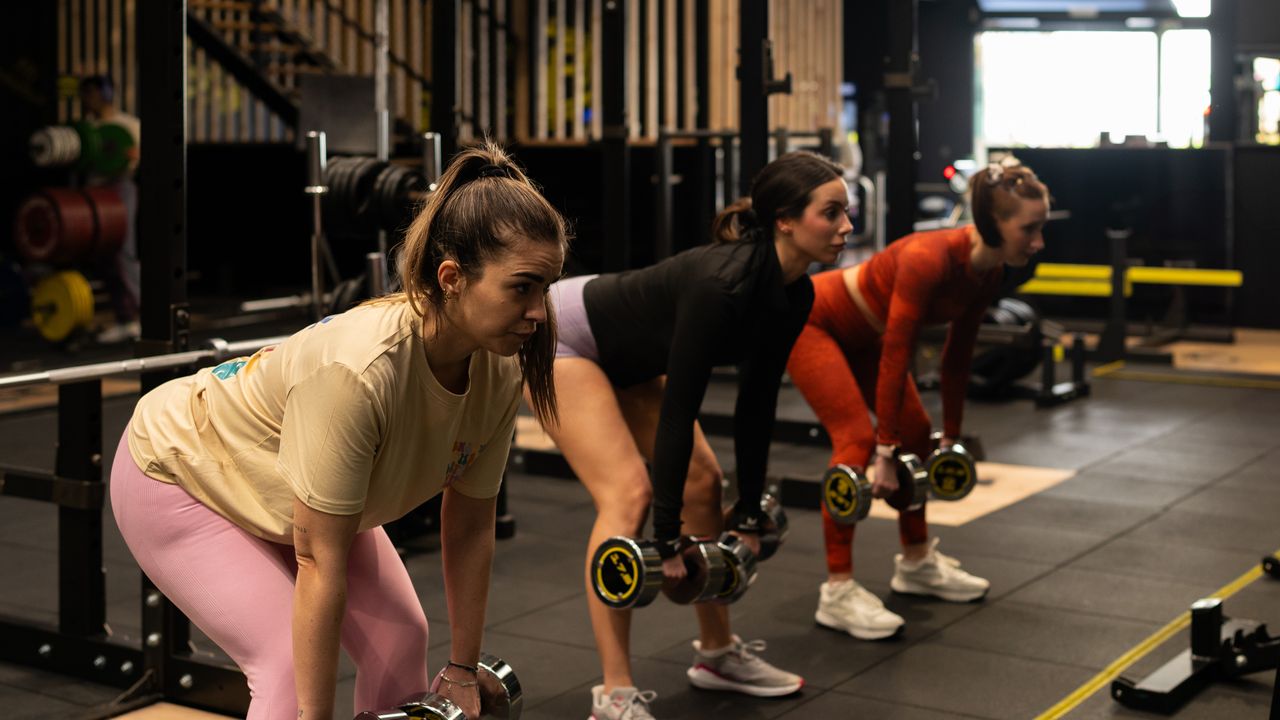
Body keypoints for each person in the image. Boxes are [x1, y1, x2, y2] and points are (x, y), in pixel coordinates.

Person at [110, 142, 568, 720]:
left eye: (546, 289)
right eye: (521, 287)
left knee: (403, 635)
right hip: (180, 469)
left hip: (283, 485)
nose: (539, 312)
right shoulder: (359, 372)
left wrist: (460, 668)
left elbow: (472, 523)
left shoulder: (500, 369)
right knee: (286, 666)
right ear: (452, 278)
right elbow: (319, 561)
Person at [536, 151, 851, 720]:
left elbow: (757, 404)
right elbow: (682, 409)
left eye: (846, 212)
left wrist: (751, 510)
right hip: (564, 336)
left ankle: (716, 653)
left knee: (707, 480)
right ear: (785, 219)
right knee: (628, 494)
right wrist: (665, 539)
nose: (847, 227)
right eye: (832, 213)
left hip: (626, 352)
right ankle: (614, 694)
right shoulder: (720, 286)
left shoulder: (795, 292)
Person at [785, 159, 1049, 640]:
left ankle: (916, 562)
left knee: (916, 433)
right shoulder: (928, 258)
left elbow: (956, 359)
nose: (1038, 243)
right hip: (814, 322)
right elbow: (898, 352)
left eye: (1041, 228)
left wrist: (948, 438)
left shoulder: (987, 273)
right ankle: (837, 590)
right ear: (993, 224)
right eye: (1029, 229)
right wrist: (884, 454)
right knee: (856, 441)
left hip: (867, 334)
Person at [78, 75, 142, 344]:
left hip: (119, 189)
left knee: (123, 252)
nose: (87, 100)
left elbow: (137, 159)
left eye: (92, 93)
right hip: (92, 193)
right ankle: (123, 318)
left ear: (105, 94)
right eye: (85, 94)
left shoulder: (129, 125)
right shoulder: (86, 129)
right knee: (103, 255)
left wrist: (132, 155)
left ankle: (141, 317)